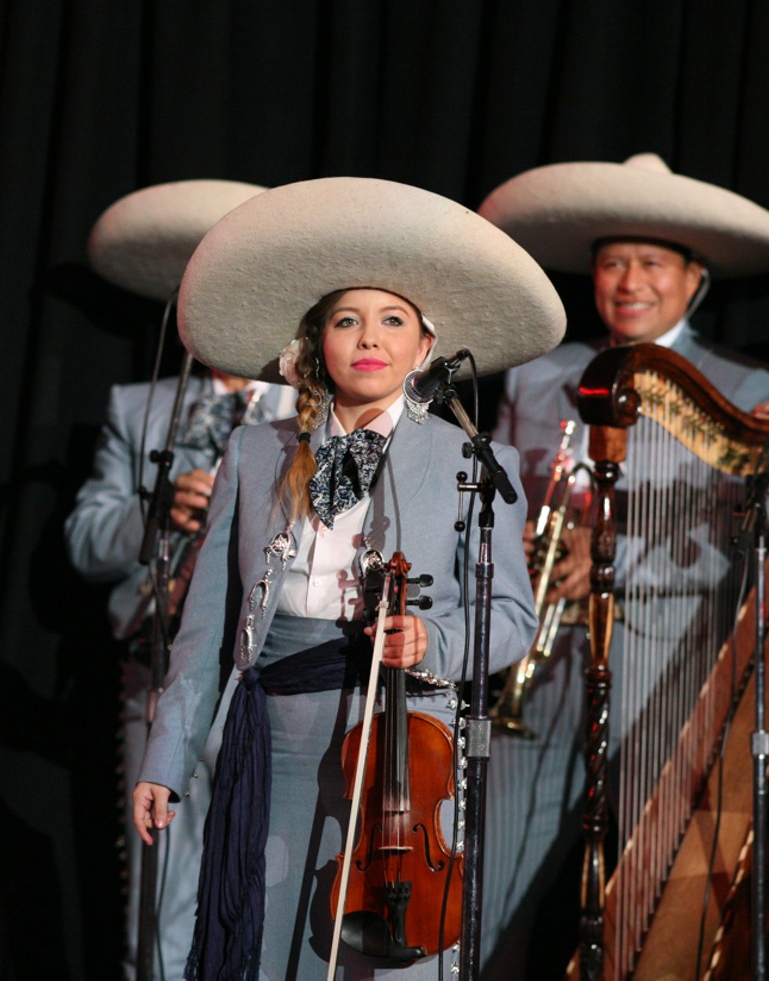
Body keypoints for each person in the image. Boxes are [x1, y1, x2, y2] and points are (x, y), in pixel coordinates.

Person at [129, 176, 563, 979]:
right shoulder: (255, 454)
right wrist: (167, 754)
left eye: (393, 320)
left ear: (425, 348)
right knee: (275, 945)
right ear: (315, 341)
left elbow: (510, 618)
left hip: (409, 744)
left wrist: (431, 636)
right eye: (348, 319)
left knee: (392, 960)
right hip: (280, 736)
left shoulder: (476, 461)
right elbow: (206, 625)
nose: (371, 337)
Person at [473, 153, 769, 973]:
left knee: (640, 903)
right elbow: (509, 498)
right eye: (612, 262)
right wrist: (521, 546)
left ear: (694, 278)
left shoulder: (746, 385)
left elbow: (746, 545)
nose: (628, 281)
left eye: (650, 263)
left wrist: (618, 559)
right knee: (486, 899)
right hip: (543, 671)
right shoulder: (542, 370)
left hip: (662, 675)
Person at [62, 179, 294, 980]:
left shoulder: (307, 408)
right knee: (157, 897)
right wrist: (156, 513)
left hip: (271, 675)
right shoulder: (140, 407)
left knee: (261, 882)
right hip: (158, 668)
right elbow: (86, 543)